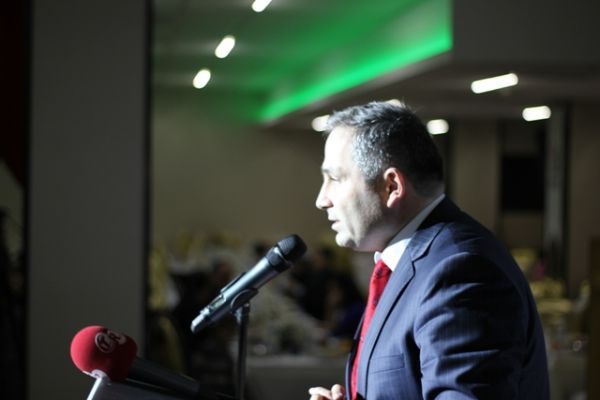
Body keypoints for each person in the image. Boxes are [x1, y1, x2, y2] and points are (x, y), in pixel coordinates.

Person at [308, 101, 549, 399]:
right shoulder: (413, 261)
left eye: (334, 178)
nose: (322, 199)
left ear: (392, 186)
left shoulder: (461, 268)